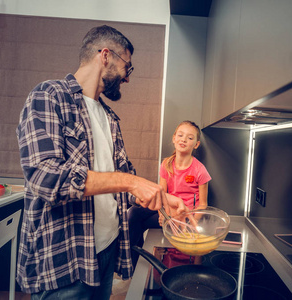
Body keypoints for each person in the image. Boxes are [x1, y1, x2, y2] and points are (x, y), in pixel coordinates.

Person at [16, 25, 187, 300]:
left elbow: (123, 179)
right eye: (127, 68)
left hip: (106, 251)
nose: (127, 78)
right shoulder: (49, 96)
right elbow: (46, 178)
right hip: (66, 261)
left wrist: (162, 199)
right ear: (105, 56)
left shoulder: (109, 116)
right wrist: (131, 182)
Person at [128, 120, 211, 267]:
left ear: (196, 144)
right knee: (133, 213)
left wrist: (190, 223)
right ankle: (134, 265)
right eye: (180, 135)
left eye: (190, 138)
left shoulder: (200, 170)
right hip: (167, 212)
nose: (184, 139)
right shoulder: (166, 164)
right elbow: (161, 195)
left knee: (141, 224)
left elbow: (203, 204)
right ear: (174, 138)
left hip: (184, 219)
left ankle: (141, 263)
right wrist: (163, 216)